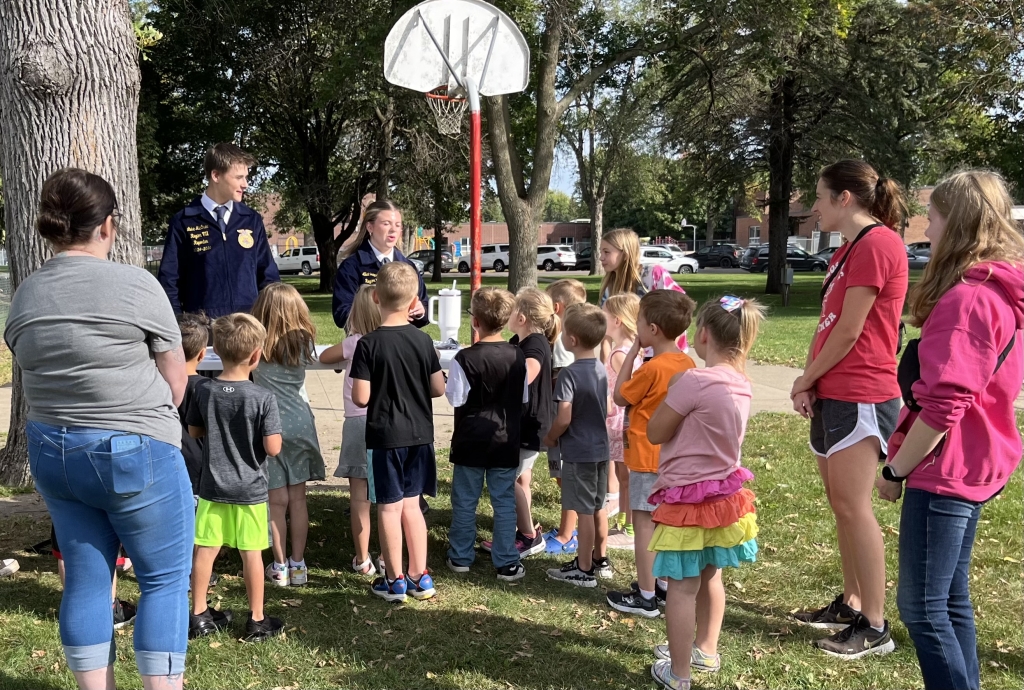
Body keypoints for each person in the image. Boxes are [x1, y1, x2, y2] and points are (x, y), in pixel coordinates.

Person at [5, 168, 193, 690]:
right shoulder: (135, 285)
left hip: (53, 452)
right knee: (162, 580)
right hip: (134, 448)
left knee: (87, 581)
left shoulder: (26, 294)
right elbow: (175, 381)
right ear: (108, 226)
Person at [874, 170, 1024, 690]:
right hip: (974, 460)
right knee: (949, 596)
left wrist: (895, 468)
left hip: (947, 469)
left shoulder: (971, 300)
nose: (927, 229)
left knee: (921, 608)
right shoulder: (996, 292)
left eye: (933, 217)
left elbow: (944, 407)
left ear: (956, 223)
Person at [789, 159, 908, 658]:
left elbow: (851, 330)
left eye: (818, 196)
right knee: (842, 507)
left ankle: (874, 625)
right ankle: (853, 601)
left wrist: (807, 377)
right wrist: (810, 380)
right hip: (833, 390)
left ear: (844, 198)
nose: (812, 207)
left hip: (861, 391)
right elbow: (829, 323)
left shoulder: (878, 244)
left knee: (855, 508)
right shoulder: (850, 249)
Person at [645, 296, 766, 690]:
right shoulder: (741, 383)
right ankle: (706, 651)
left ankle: (679, 675)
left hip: (686, 500)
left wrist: (675, 389)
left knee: (681, 588)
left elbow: (656, 432)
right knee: (710, 577)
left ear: (704, 334)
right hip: (724, 500)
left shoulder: (695, 381)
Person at [349, 262, 446, 603]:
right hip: (420, 436)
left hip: (385, 438)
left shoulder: (368, 345)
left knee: (388, 508)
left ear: (375, 297)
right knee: (412, 507)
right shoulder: (423, 340)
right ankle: (421, 575)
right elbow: (438, 388)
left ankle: (394, 580)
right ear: (414, 300)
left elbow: (360, 396)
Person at [187, 314, 284, 642]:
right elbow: (273, 448)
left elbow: (195, 430)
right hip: (250, 490)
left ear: (216, 351)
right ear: (256, 355)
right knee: (251, 554)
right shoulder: (263, 398)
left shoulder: (204, 390)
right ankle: (256, 619)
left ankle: (198, 612)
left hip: (212, 487)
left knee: (205, 549)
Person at [606, 290, 696, 618]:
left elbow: (619, 396)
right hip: (673, 457)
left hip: (646, 457)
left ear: (653, 330)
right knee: (661, 524)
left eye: (640, 322)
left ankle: (646, 595)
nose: (637, 327)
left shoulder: (651, 368)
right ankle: (661, 584)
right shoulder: (686, 362)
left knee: (643, 525)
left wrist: (631, 352)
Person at [445, 287, 529, 581]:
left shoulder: (464, 357)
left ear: (475, 321)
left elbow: (454, 398)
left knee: (465, 499)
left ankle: (460, 556)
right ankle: (506, 560)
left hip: (471, 437)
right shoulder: (518, 355)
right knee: (503, 499)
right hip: (505, 437)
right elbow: (523, 397)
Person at [252, 283, 327, 588]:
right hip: (300, 422)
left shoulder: (257, 343)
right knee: (298, 499)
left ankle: (279, 565)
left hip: (268, 426)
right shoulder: (303, 340)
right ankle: (299, 564)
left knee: (276, 501)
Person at [158, 143, 280, 319]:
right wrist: (179, 326)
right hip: (203, 329)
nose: (245, 184)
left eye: (246, 177)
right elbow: (169, 281)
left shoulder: (251, 219)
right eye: (239, 177)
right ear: (216, 175)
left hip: (248, 328)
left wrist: (268, 320)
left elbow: (269, 276)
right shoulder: (184, 221)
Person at [544, 303, 613, 587]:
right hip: (600, 448)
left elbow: (564, 416)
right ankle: (600, 558)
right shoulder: (600, 369)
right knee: (598, 505)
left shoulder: (569, 374)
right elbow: (607, 408)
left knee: (583, 509)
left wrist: (551, 436)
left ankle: (583, 569)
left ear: (571, 340)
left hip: (579, 451)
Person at [320, 285, 382, 575]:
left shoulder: (354, 343)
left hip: (357, 421)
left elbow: (323, 357)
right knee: (388, 495)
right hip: (387, 422)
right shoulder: (387, 342)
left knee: (359, 497)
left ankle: (362, 557)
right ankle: (388, 555)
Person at [494, 288, 557, 559]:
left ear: (521, 317)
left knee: (508, 480)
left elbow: (527, 373)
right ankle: (520, 530)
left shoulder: (534, 344)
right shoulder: (522, 340)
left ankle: (529, 535)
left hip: (531, 425)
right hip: (526, 423)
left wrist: (498, 380)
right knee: (522, 478)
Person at [543, 279, 589, 553]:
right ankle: (569, 529)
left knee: (567, 478)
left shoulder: (561, 338)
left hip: (565, 417)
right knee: (567, 477)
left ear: (557, 307)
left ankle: (566, 534)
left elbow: (559, 379)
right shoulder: (579, 336)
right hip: (578, 417)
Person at [332, 199, 428, 331]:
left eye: (398, 225)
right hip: (366, 344)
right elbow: (341, 314)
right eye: (386, 223)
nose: (393, 230)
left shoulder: (408, 266)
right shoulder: (352, 266)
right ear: (370, 227)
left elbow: (424, 311)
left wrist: (420, 312)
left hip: (402, 344)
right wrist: (377, 315)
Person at [603, 294, 643, 549]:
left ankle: (628, 527)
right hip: (621, 421)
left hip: (620, 422)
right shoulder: (628, 349)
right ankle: (624, 522)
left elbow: (630, 389)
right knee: (623, 474)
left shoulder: (620, 353)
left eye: (605, 315)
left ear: (616, 320)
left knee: (624, 475)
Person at [178, 312, 211, 496]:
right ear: (202, 354)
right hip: (202, 470)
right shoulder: (208, 389)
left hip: (167, 466)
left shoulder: (155, 385)